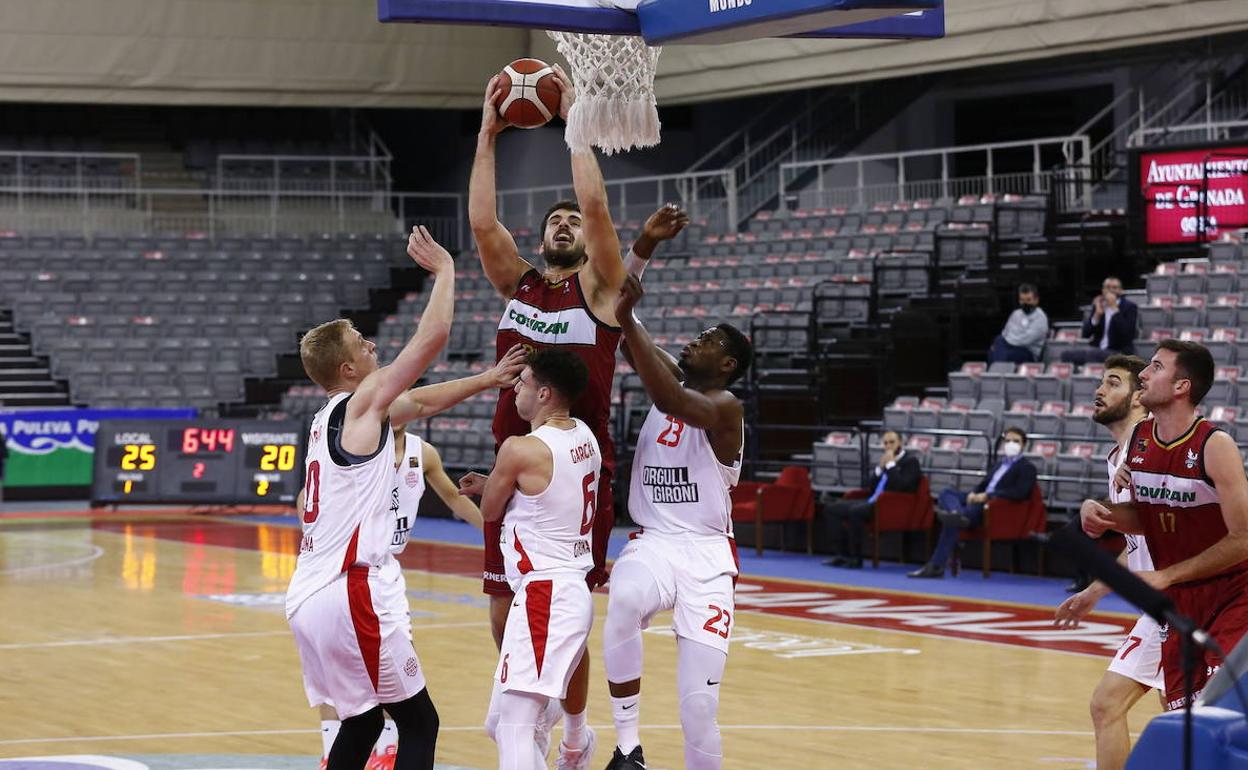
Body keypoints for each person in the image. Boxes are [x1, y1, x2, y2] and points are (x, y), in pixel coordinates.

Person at [470, 64, 689, 767]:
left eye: (572, 220)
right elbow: (481, 221)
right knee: (503, 606)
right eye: (553, 220)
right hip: (516, 454)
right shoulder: (519, 283)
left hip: (574, 470)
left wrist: (575, 127)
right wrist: (486, 133)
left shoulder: (598, 291)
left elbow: (598, 214)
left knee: (566, 619)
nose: (566, 223)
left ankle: (574, 731)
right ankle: (530, 713)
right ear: (540, 242)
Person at [284, 225, 458, 770]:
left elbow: (420, 404)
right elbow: (429, 343)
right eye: (363, 343)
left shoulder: (331, 419)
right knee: (420, 722)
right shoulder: (360, 406)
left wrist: (489, 379)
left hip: (309, 593)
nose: (373, 345)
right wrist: (447, 272)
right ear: (348, 371)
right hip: (348, 589)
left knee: (360, 723)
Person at [600, 276, 752, 770]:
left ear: (726, 365)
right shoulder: (676, 378)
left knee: (699, 709)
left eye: (707, 340)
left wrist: (627, 319)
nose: (694, 340)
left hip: (707, 554)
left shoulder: (724, 407)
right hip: (655, 542)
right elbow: (630, 334)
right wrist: (640, 252)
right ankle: (628, 748)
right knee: (622, 600)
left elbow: (670, 400)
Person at [311, 412, 498, 770]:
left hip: (387, 571)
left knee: (397, 671)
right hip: (348, 569)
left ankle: (385, 751)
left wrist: (492, 538)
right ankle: (330, 749)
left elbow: (454, 498)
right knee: (344, 671)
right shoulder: (356, 446)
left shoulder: (423, 453)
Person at [1081, 339, 1248, 711]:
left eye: (1155, 367)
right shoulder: (1140, 440)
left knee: (1219, 714)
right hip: (1179, 603)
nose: (1143, 374)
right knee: (1181, 722)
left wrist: (1167, 575)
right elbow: (1150, 520)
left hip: (1234, 594)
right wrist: (1102, 513)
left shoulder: (1215, 445)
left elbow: (1244, 540)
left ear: (1181, 386)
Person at [458, 348, 600, 770]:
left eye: (523, 381)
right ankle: (557, 715)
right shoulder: (584, 435)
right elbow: (551, 493)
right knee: (498, 723)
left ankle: (561, 722)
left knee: (514, 728)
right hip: (564, 588)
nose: (515, 387)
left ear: (544, 393)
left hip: (546, 594)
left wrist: (496, 484)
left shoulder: (521, 449)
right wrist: (499, 483)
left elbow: (490, 512)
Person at [1051, 354, 1156, 770]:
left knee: (1189, 723)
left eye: (1112, 383)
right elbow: (1140, 542)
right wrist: (1096, 589)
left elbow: (1180, 523)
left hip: (1199, 601)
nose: (1099, 390)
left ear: (1138, 398)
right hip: (1162, 604)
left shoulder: (1152, 443)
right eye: (1100, 382)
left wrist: (1107, 510)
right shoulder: (1119, 456)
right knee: (1107, 705)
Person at [908, 426, 1038, 578]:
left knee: (952, 522)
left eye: (1015, 441)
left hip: (993, 508)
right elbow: (983, 484)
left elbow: (1020, 492)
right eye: (1008, 440)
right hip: (977, 501)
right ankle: (957, 513)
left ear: (1024, 444)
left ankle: (936, 565)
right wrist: (974, 493)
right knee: (946, 493)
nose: (1011, 444)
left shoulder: (1027, 467)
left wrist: (988, 496)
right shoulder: (997, 464)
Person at [821, 430, 921, 568]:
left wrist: (891, 466)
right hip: (872, 500)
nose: (888, 446)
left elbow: (901, 486)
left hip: (891, 506)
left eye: (892, 442)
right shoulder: (884, 461)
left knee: (855, 511)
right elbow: (868, 486)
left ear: (901, 443)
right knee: (831, 509)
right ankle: (842, 555)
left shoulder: (910, 462)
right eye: (885, 443)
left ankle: (856, 559)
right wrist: (879, 469)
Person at [1062, 276, 1139, 365]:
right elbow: (1085, 334)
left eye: (1114, 287)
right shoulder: (1098, 306)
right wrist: (1096, 316)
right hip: (1097, 350)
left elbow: (1127, 335)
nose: (1110, 290)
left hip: (1119, 351)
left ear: (1121, 291)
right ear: (1103, 290)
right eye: (1107, 287)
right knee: (1066, 355)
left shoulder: (1129, 307)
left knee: (1094, 354)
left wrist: (1114, 309)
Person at [988, 283, 1048, 364]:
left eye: (1028, 300)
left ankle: (997, 371)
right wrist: (1008, 340)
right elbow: (1005, 333)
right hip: (1010, 346)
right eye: (1022, 300)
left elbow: (1025, 340)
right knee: (998, 340)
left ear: (1036, 300)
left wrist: (1009, 340)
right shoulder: (1016, 313)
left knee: (1001, 353)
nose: (1025, 303)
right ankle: (999, 369)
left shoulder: (1040, 317)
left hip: (1028, 352)